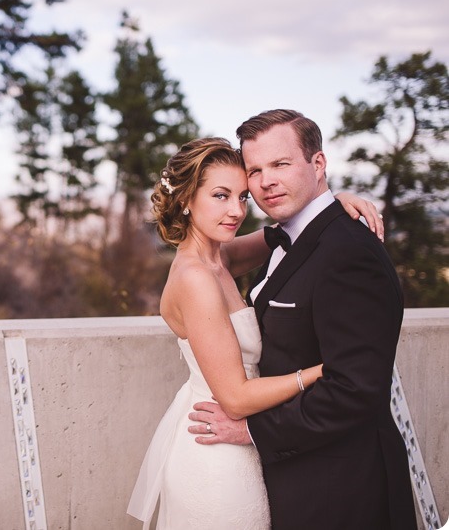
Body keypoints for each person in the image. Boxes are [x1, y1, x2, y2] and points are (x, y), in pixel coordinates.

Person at [126, 137, 383, 529]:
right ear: (185, 200)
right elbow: (236, 398)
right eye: (221, 196)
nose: (236, 211)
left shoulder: (218, 255)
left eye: (243, 197)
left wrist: (333, 202)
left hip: (241, 444)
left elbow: (283, 234)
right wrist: (319, 372)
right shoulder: (196, 277)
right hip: (218, 450)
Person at [187, 110, 416, 530]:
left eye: (280, 164)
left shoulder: (349, 253)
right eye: (254, 170)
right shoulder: (285, 236)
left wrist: (251, 432)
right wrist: (331, 201)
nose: (265, 181)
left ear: (318, 164)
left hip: (342, 493)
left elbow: (354, 390)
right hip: (295, 481)